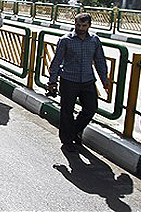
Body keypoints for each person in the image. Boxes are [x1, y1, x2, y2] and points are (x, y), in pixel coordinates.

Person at [48, 13, 111, 152]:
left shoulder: (94, 40)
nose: (80, 28)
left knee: (90, 108)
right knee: (67, 111)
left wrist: (104, 80)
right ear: (74, 24)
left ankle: (73, 131)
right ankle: (67, 140)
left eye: (84, 25)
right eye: (78, 25)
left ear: (89, 25)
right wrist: (52, 81)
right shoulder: (65, 40)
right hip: (69, 80)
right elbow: (56, 61)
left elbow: (100, 60)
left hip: (88, 81)